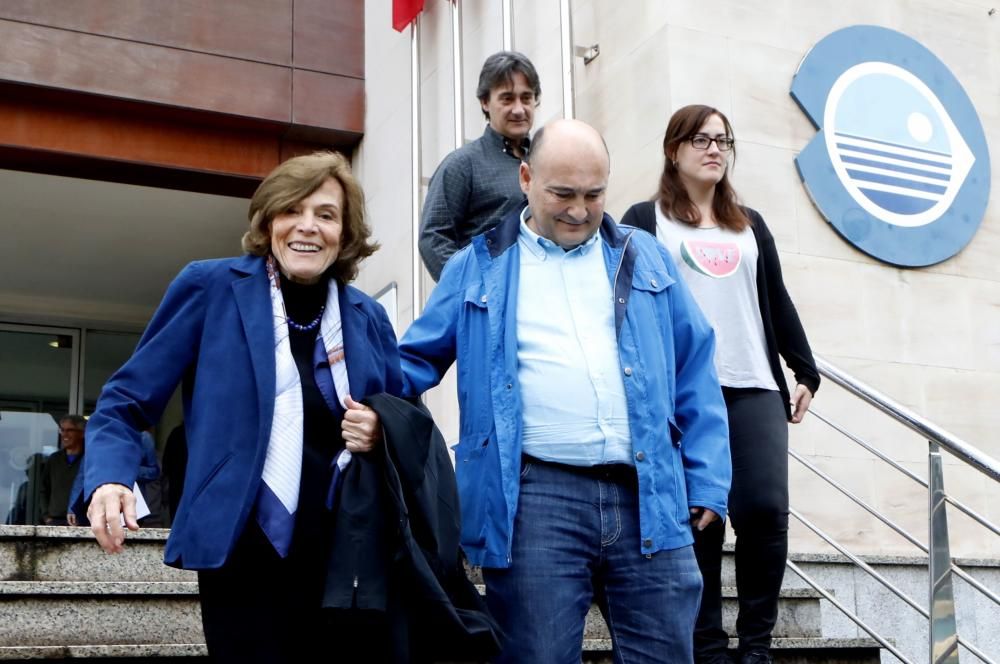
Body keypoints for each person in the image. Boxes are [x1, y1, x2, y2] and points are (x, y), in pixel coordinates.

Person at [399, 118, 732, 663]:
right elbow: (410, 363)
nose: (579, 210)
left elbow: (695, 366)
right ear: (526, 179)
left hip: (650, 493)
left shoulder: (643, 254)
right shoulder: (477, 265)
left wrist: (708, 478)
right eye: (563, 193)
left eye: (594, 194)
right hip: (535, 500)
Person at [82, 152, 404, 663]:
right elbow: (125, 401)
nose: (307, 227)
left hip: (349, 555)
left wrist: (381, 428)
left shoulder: (367, 317)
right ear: (268, 221)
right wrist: (109, 478)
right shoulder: (209, 287)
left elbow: (408, 422)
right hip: (243, 552)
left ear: (344, 234)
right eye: (291, 210)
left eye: (325, 214)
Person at [621, 104, 821, 664]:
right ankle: (707, 645)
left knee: (763, 510)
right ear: (673, 149)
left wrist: (804, 370)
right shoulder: (644, 221)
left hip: (754, 383)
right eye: (701, 139)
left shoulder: (749, 223)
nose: (715, 149)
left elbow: (774, 299)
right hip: (683, 393)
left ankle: (756, 646)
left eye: (723, 140)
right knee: (699, 518)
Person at [419, 50, 540, 281]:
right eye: (507, 98)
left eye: (526, 98)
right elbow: (433, 238)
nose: (518, 109)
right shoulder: (462, 165)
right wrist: (473, 287)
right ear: (485, 102)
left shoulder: (548, 160)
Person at [39, 415, 86, 525]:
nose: (64, 434)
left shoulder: (89, 459)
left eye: (70, 430)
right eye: (62, 430)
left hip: (81, 521)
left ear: (82, 433)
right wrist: (46, 516)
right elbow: (43, 489)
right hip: (55, 520)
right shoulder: (54, 459)